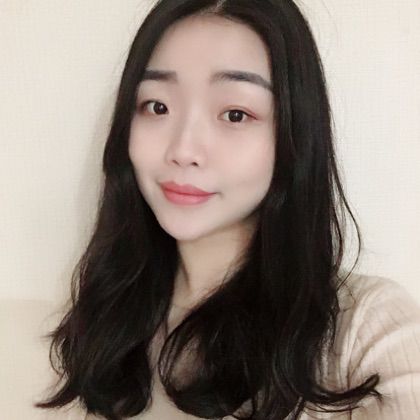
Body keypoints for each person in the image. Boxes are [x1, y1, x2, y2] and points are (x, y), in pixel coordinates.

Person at [34, 0, 420, 419]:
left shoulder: (368, 329)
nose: (183, 150)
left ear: (293, 134)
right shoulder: (106, 319)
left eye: (235, 114)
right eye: (157, 107)